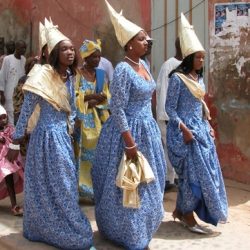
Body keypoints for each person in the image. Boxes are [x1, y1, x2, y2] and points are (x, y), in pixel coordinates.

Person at [6, 22, 94, 249]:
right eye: (64, 49)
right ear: (54, 52)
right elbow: (26, 110)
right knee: (44, 185)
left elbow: (72, 108)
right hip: (43, 137)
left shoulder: (71, 77)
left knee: (64, 185)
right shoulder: (42, 75)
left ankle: (66, 226)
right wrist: (15, 142)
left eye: (72, 48)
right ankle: (43, 228)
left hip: (62, 138)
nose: (70, 52)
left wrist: (72, 126)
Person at [91, 1, 166, 249]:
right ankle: (129, 233)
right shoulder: (123, 69)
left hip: (148, 130)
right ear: (130, 44)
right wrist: (129, 142)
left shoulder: (143, 65)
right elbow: (118, 107)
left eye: (147, 40)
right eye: (143, 39)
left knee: (150, 185)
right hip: (128, 133)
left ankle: (143, 228)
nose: (147, 43)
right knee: (129, 186)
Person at [166, 13, 228, 233]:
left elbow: (201, 105)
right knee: (191, 174)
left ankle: (182, 211)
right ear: (189, 58)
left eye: (203, 58)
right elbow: (170, 109)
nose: (202, 61)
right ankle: (187, 214)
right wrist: (184, 129)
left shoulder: (198, 79)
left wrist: (208, 125)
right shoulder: (177, 78)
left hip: (201, 130)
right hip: (185, 132)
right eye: (198, 58)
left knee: (206, 173)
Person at [74, 39, 110, 201]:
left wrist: (100, 100)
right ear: (86, 57)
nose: (97, 60)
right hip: (82, 120)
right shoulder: (77, 75)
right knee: (82, 155)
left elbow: (107, 96)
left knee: (99, 155)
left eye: (99, 57)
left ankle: (96, 190)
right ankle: (81, 188)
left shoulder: (101, 75)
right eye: (94, 57)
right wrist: (90, 97)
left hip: (99, 119)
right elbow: (72, 96)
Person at [156, 37, 182, 191]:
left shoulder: (188, 65)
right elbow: (163, 91)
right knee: (168, 146)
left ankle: (176, 177)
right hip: (168, 116)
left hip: (180, 116)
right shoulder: (169, 65)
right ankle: (167, 178)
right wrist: (166, 116)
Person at [0, 105, 24, 215]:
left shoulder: (10, 129)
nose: (2, 120)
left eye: (4, 117)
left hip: (7, 161)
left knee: (9, 180)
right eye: (0, 118)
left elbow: (16, 139)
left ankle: (14, 205)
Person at [0, 40, 26, 125]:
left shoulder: (24, 59)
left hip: (20, 95)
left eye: (25, 48)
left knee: (18, 116)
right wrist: (2, 93)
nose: (24, 50)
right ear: (17, 48)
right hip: (9, 93)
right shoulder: (7, 59)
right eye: (22, 48)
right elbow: (2, 76)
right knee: (10, 116)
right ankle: (10, 136)